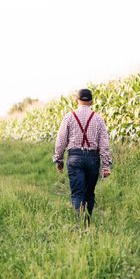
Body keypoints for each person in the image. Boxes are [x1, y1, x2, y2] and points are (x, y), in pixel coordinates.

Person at [52, 88, 112, 227]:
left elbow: (61, 141)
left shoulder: (69, 117)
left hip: (75, 158)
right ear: (91, 101)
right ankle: (88, 222)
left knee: (77, 193)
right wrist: (106, 166)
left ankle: (78, 225)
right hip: (92, 159)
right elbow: (104, 144)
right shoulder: (98, 119)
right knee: (90, 193)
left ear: (76, 100)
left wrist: (59, 159)